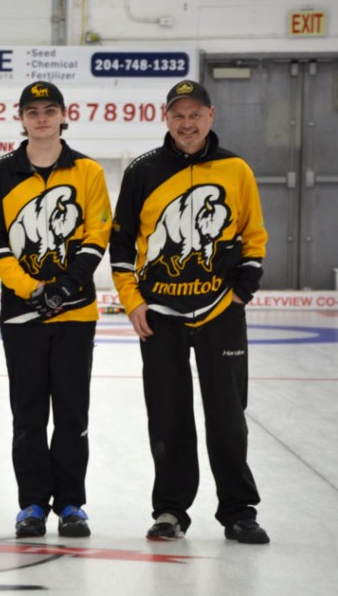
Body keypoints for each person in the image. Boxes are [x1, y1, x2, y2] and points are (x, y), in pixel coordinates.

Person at [109, 80, 270, 544]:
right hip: (160, 314)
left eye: (195, 114)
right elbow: (120, 243)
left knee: (227, 414)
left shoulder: (236, 169)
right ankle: (171, 511)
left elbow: (252, 234)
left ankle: (239, 510)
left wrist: (242, 291)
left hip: (220, 311)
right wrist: (132, 299)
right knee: (168, 414)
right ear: (166, 119)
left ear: (211, 116)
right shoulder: (143, 171)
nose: (187, 123)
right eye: (178, 115)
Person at [0, 81, 112, 538]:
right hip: (21, 315)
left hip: (76, 314)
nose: (41, 118)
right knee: (29, 414)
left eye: (49, 110)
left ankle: (72, 503)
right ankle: (32, 504)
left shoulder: (88, 171)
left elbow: (97, 234)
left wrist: (67, 286)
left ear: (62, 116)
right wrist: (33, 290)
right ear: (21, 118)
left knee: (72, 413)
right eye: (32, 111)